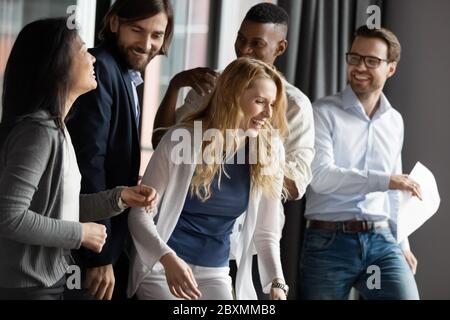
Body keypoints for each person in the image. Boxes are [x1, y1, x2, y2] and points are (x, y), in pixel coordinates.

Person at [0, 18, 158, 300]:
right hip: (27, 290)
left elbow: (60, 208)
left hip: (44, 286)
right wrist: (80, 234)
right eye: (84, 50)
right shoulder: (38, 132)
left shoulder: (57, 129)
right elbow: (9, 217)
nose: (93, 59)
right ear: (58, 64)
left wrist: (120, 197)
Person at [128, 57, 289, 300]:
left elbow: (266, 231)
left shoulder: (268, 149)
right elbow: (139, 214)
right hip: (162, 265)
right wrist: (167, 259)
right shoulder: (181, 139)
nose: (268, 113)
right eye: (259, 102)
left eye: (272, 104)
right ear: (232, 97)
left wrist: (277, 282)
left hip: (214, 271)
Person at [300, 25, 420, 300]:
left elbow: (394, 195)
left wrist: (402, 242)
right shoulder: (323, 112)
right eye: (354, 58)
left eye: (372, 61)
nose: (359, 67)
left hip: (381, 240)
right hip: (328, 242)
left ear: (391, 68)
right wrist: (386, 180)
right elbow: (320, 177)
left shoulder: (394, 120)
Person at [66, 0, 173, 300]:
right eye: (137, 30)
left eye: (156, 34)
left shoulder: (125, 73)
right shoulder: (99, 68)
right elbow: (89, 162)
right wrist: (98, 254)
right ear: (114, 24)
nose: (147, 43)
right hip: (90, 248)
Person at [154, 2, 314, 201]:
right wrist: (175, 86)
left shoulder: (295, 105)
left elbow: (296, 187)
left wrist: (256, 149)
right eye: (241, 39)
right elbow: (160, 142)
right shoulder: (209, 85)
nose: (244, 49)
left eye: (257, 43)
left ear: (280, 47)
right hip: (185, 210)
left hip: (250, 223)